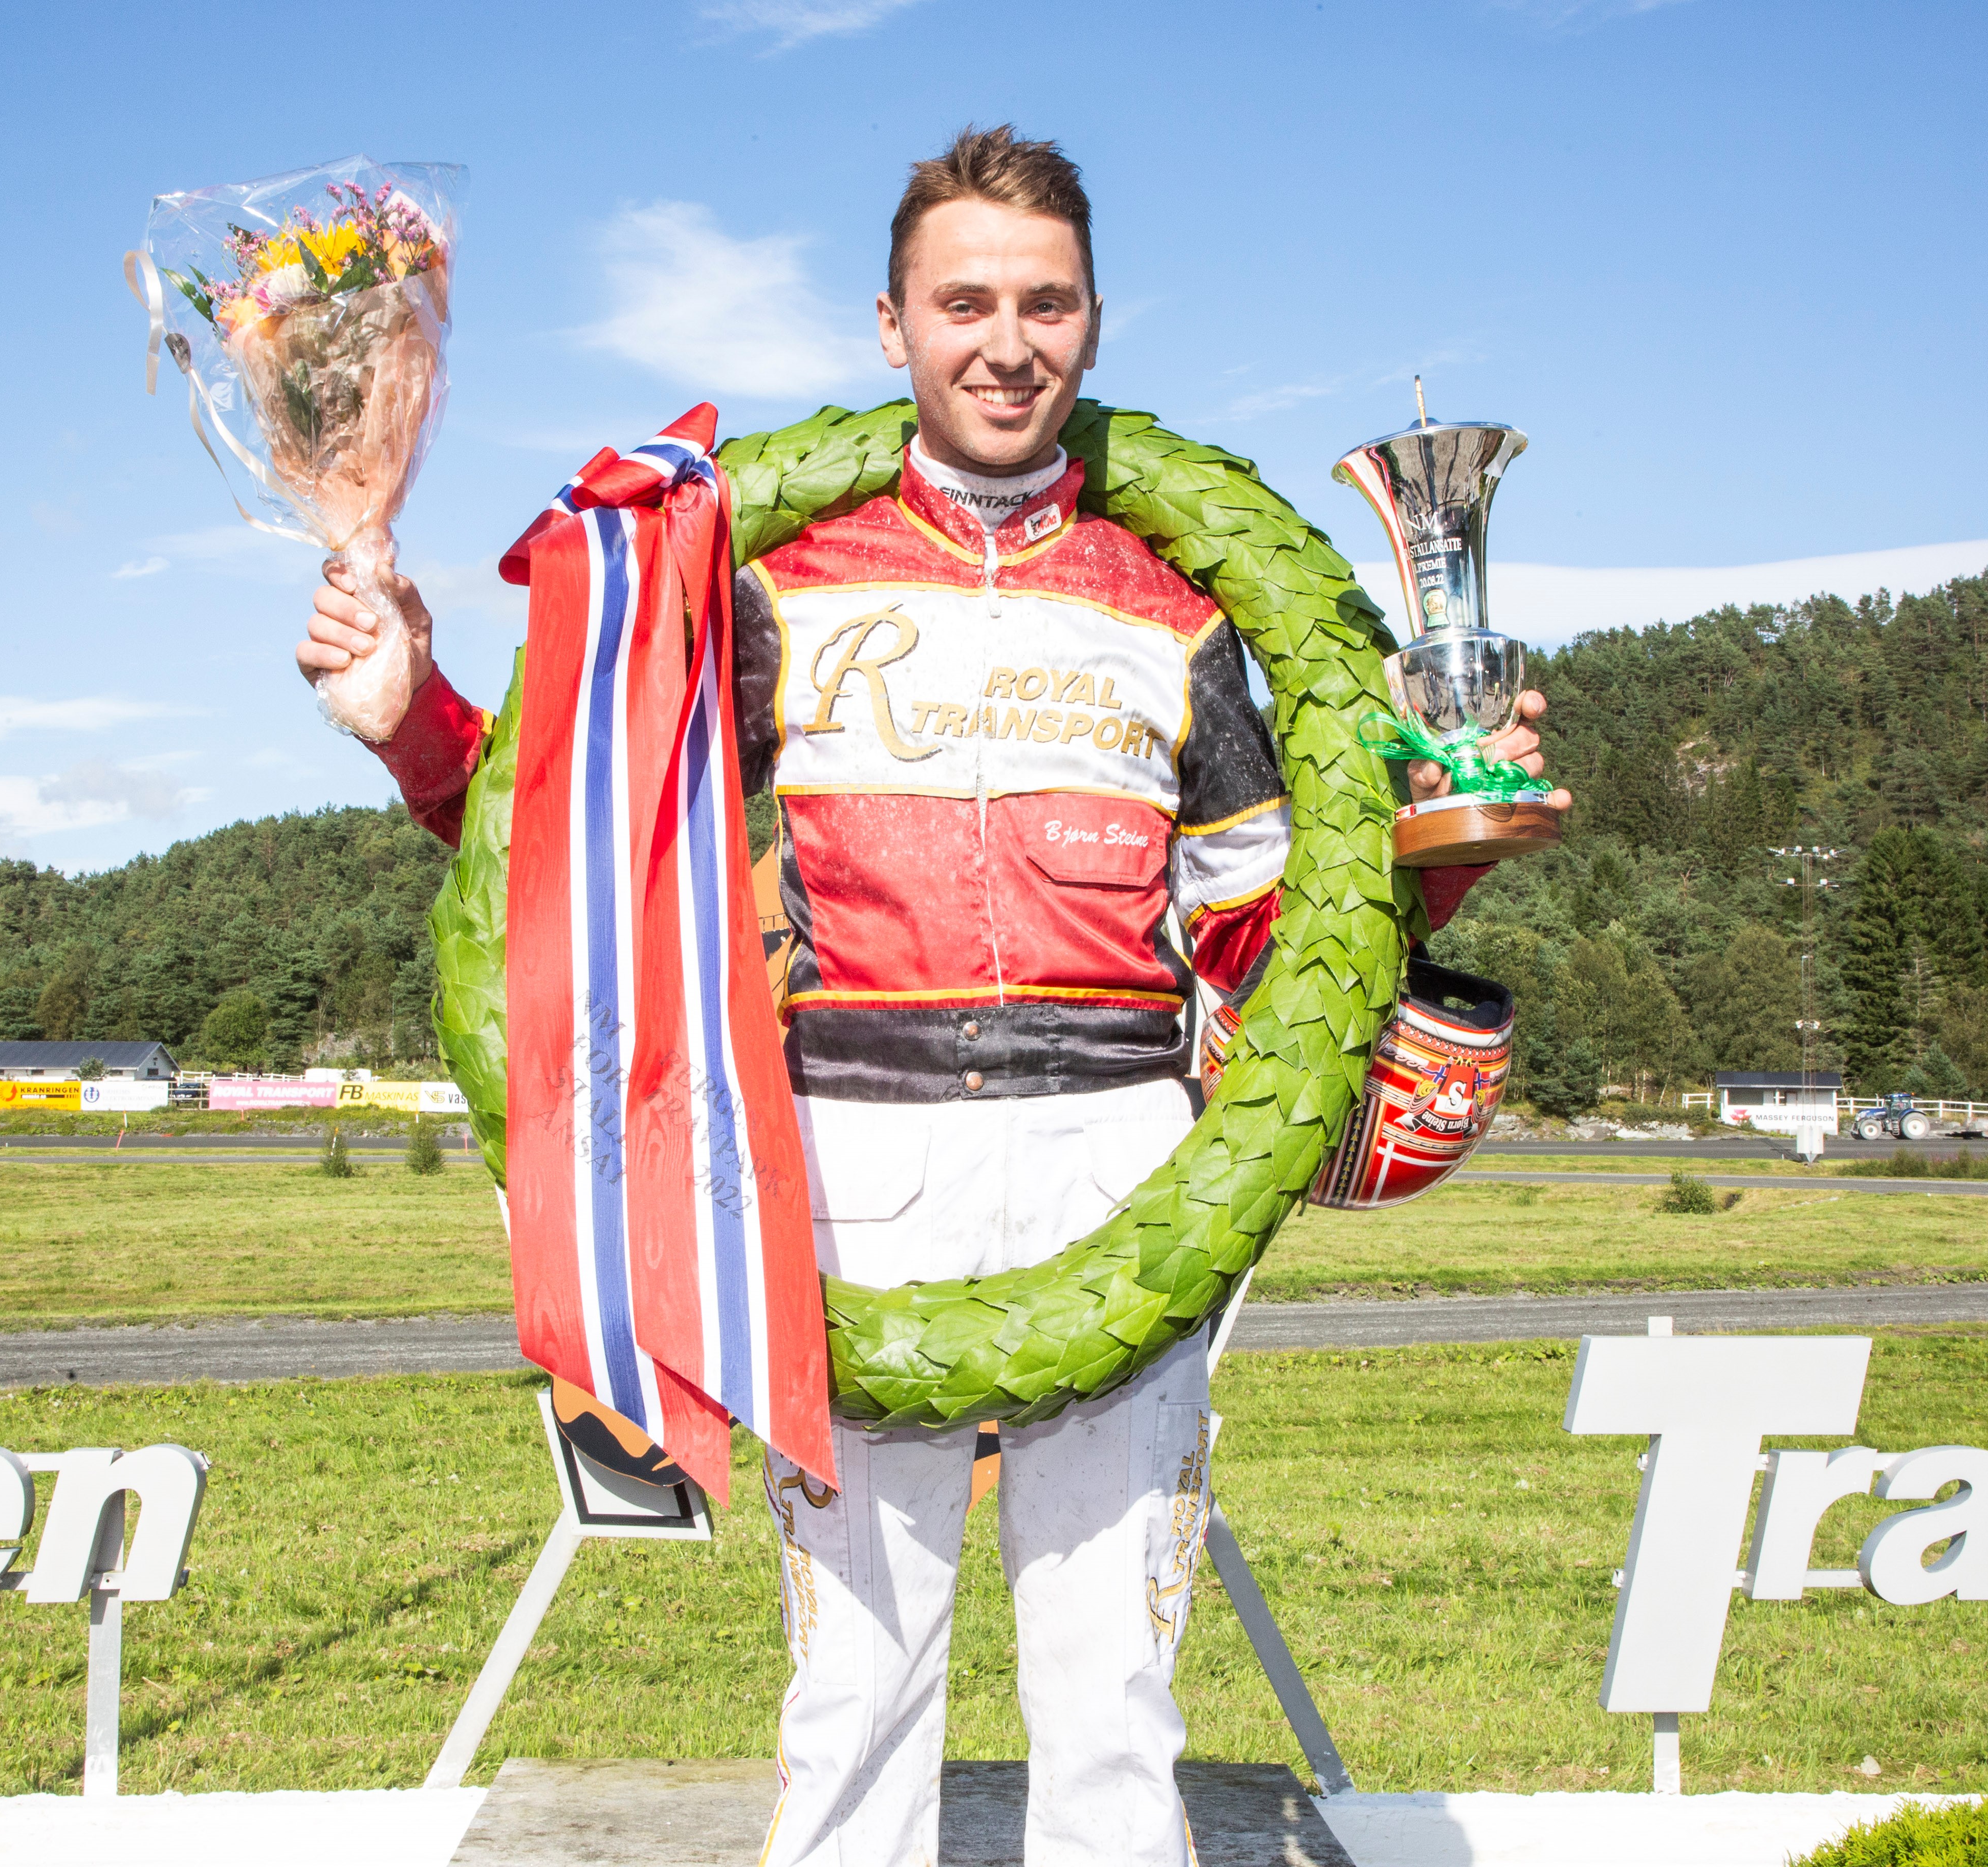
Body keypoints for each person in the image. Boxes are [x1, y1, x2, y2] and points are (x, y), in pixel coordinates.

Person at [298, 125, 1564, 1867]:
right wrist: (413, 717)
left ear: (1097, 325)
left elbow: (1275, 940)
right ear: (889, 326)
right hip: (840, 1160)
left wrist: (1450, 832)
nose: (1006, 340)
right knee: (853, 1700)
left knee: (1115, 1699)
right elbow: (578, 857)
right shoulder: (756, 577)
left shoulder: (1183, 602)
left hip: (1123, 1150)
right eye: (964, 300)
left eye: (1045, 303)